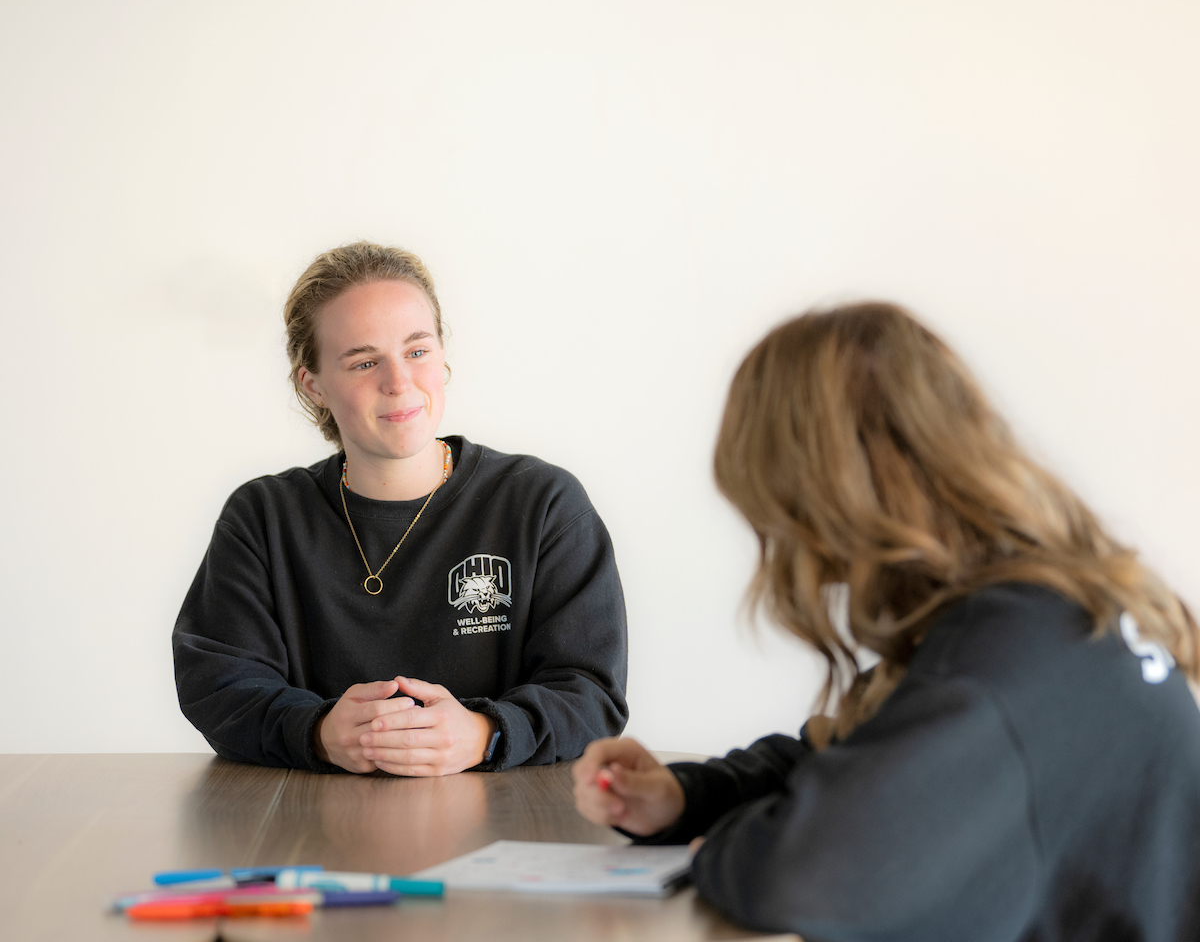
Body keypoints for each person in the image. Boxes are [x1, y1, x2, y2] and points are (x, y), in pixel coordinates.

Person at [574, 302, 1200, 940]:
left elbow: (809, 875)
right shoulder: (1048, 611)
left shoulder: (1005, 661)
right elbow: (869, 755)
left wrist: (718, 852)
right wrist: (687, 797)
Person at [174, 241, 628, 776]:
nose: (398, 382)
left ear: (443, 355)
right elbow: (218, 685)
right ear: (314, 383)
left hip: (508, 824)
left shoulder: (542, 504)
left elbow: (592, 694)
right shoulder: (262, 518)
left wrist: (484, 733)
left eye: (417, 351)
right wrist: (318, 732)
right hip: (312, 827)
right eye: (364, 362)